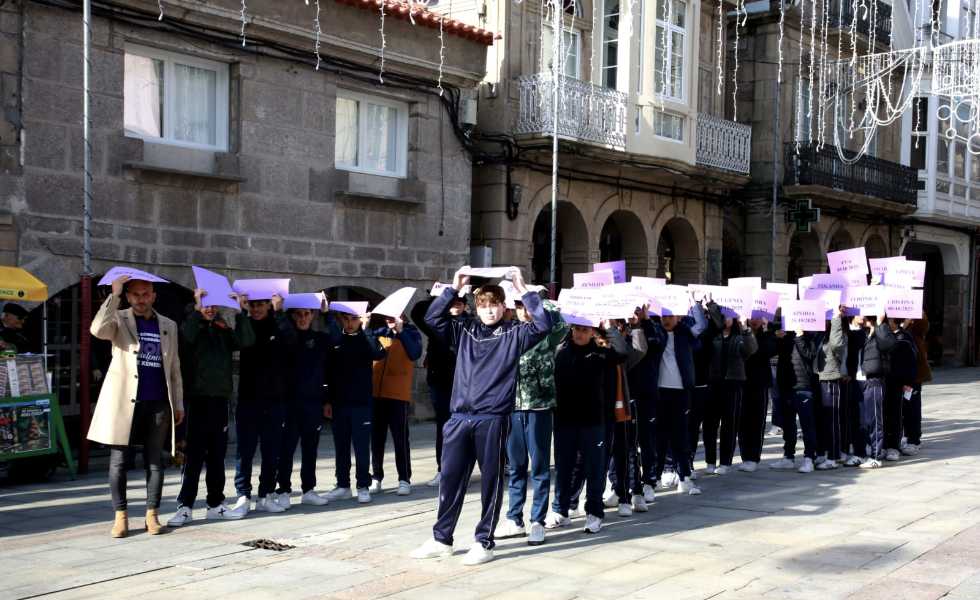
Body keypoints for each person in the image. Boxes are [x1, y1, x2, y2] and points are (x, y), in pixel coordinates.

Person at [411, 267, 551, 566]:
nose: (489, 311)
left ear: (504, 306)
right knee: (450, 479)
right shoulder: (464, 330)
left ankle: (484, 541)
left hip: (492, 418)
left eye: (495, 305)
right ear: (477, 307)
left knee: (490, 481)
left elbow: (543, 325)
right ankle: (441, 538)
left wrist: (521, 287)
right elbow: (431, 319)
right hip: (459, 417)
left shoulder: (515, 333)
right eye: (484, 305)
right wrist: (454, 287)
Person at [88, 275, 184, 538]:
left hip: (157, 402)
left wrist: (177, 402)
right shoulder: (118, 319)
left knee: (155, 461)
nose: (141, 299)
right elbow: (97, 329)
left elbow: (174, 366)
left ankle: (152, 515)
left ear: (153, 296)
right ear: (128, 297)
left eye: (145, 294)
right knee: (119, 461)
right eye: (135, 295)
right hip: (125, 402)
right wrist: (114, 295)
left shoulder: (168, 325)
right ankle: (120, 517)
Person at [167, 288, 255, 526]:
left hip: (220, 400)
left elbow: (244, 341)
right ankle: (185, 506)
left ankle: (215, 504)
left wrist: (241, 313)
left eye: (213, 305)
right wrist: (197, 312)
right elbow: (186, 340)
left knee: (217, 455)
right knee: (194, 456)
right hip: (197, 400)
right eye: (205, 304)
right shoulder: (190, 324)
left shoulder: (221, 328)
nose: (210, 308)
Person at [496, 294, 566, 546]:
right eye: (518, 307)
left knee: (538, 467)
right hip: (513, 406)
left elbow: (561, 325)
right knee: (515, 467)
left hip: (539, 407)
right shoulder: (510, 333)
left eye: (526, 307)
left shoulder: (546, 336)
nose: (523, 311)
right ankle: (514, 518)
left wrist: (540, 302)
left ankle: (537, 520)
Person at [550, 320, 628, 534]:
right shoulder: (562, 351)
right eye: (576, 329)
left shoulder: (602, 354)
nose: (579, 334)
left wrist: (608, 326)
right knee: (564, 467)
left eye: (584, 330)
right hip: (565, 420)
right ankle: (561, 510)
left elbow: (623, 352)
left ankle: (594, 512)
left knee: (595, 468)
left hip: (594, 421)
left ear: (592, 331)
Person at [232, 294, 291, 515]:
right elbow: (240, 341)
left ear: (268, 305)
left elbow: (290, 340)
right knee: (244, 451)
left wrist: (279, 313)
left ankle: (265, 495)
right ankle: (243, 495)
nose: (256, 308)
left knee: (271, 451)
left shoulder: (277, 323)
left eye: (260, 304)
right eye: (252, 304)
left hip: (275, 400)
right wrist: (241, 313)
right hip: (249, 398)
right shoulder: (245, 324)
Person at [276, 299, 338, 507]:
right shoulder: (286, 337)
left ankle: (309, 489)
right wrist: (280, 313)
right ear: (292, 316)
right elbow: (286, 336)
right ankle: (283, 490)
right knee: (287, 448)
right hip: (290, 403)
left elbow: (336, 342)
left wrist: (327, 313)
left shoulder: (320, 339)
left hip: (313, 403)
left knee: (310, 448)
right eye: (298, 314)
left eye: (307, 314)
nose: (303, 318)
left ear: (312, 316)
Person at [325, 307, 386, 503]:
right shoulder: (336, 339)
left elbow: (378, 354)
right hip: (339, 403)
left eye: (354, 319)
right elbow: (327, 372)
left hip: (362, 403)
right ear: (341, 320)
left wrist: (367, 329)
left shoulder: (366, 337)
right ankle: (343, 485)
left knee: (361, 447)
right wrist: (327, 400)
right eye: (346, 319)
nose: (350, 323)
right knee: (341, 446)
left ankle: (363, 485)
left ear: (360, 320)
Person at [649, 297, 708, 495]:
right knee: (659, 437)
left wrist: (696, 303)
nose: (666, 320)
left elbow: (701, 326)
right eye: (664, 316)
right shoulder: (656, 332)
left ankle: (684, 477)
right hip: (659, 391)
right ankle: (654, 478)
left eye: (670, 316)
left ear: (679, 317)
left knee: (680, 436)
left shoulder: (685, 333)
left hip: (681, 391)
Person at [412, 294, 465, 487]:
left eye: (459, 303)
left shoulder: (469, 325)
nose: (455, 307)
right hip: (440, 382)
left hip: (463, 384)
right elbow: (417, 312)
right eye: (452, 303)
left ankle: (462, 469)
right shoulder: (437, 325)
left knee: (464, 428)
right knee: (444, 427)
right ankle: (443, 469)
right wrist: (436, 298)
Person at [370, 313, 423, 496]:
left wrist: (400, 331)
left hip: (398, 394)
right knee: (376, 439)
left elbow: (415, 353)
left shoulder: (411, 332)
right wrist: (368, 328)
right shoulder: (381, 333)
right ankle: (376, 477)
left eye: (394, 317)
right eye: (388, 318)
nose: (390, 320)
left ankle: (404, 478)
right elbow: (373, 351)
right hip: (376, 393)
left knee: (400, 439)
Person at [703, 315, 758, 475]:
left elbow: (751, 349)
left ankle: (725, 462)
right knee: (710, 425)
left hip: (733, 383)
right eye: (723, 316)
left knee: (729, 424)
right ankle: (710, 461)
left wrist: (746, 328)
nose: (725, 320)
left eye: (729, 317)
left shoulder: (740, 336)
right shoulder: (712, 335)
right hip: (713, 383)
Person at [771, 326, 819, 473]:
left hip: (803, 384)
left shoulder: (810, 334)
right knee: (788, 423)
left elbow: (810, 355)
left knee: (807, 424)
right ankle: (788, 456)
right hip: (786, 384)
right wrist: (778, 338)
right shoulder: (784, 334)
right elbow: (774, 353)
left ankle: (809, 458)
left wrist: (800, 336)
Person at [854, 314, 897, 469]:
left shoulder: (881, 332)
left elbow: (888, 345)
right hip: (861, 381)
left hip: (875, 380)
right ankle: (865, 452)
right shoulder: (862, 333)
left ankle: (876, 456)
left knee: (875, 420)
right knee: (864, 421)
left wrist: (879, 322)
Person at [738, 317, 778, 472]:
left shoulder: (767, 335)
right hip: (741, 380)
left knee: (757, 421)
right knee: (742, 421)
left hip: (759, 382)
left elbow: (769, 350)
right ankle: (744, 456)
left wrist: (767, 330)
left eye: (758, 319)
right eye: (751, 318)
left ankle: (753, 457)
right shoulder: (740, 332)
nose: (754, 321)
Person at [815, 307, 847, 470]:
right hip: (821, 378)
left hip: (831, 378)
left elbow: (836, 345)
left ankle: (834, 456)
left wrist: (836, 319)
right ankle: (823, 453)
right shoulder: (822, 334)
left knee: (832, 420)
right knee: (822, 420)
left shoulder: (839, 334)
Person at [884, 317, 918, 462]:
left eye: (889, 321)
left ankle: (894, 446)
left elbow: (911, 362)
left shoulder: (904, 338)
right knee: (884, 414)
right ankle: (884, 444)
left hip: (898, 382)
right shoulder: (883, 337)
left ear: (894, 322)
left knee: (896, 415)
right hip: (884, 381)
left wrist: (908, 382)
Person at [902, 313, 931, 455]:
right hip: (895, 370)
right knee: (899, 406)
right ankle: (902, 435)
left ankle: (913, 439)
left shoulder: (917, 317)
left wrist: (917, 311)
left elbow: (924, 327)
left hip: (914, 371)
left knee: (912, 404)